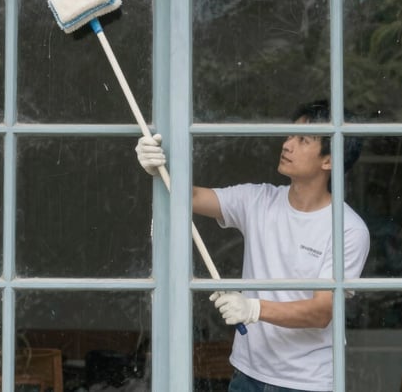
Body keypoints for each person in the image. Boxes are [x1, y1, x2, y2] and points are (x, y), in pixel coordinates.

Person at [135, 100, 370, 392]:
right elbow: (190, 197)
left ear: (329, 160)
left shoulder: (348, 229)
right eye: (289, 135)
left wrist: (253, 309)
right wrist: (158, 169)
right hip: (247, 376)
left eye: (302, 140)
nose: (287, 145)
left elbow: (321, 312)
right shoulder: (258, 201)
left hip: (308, 383)